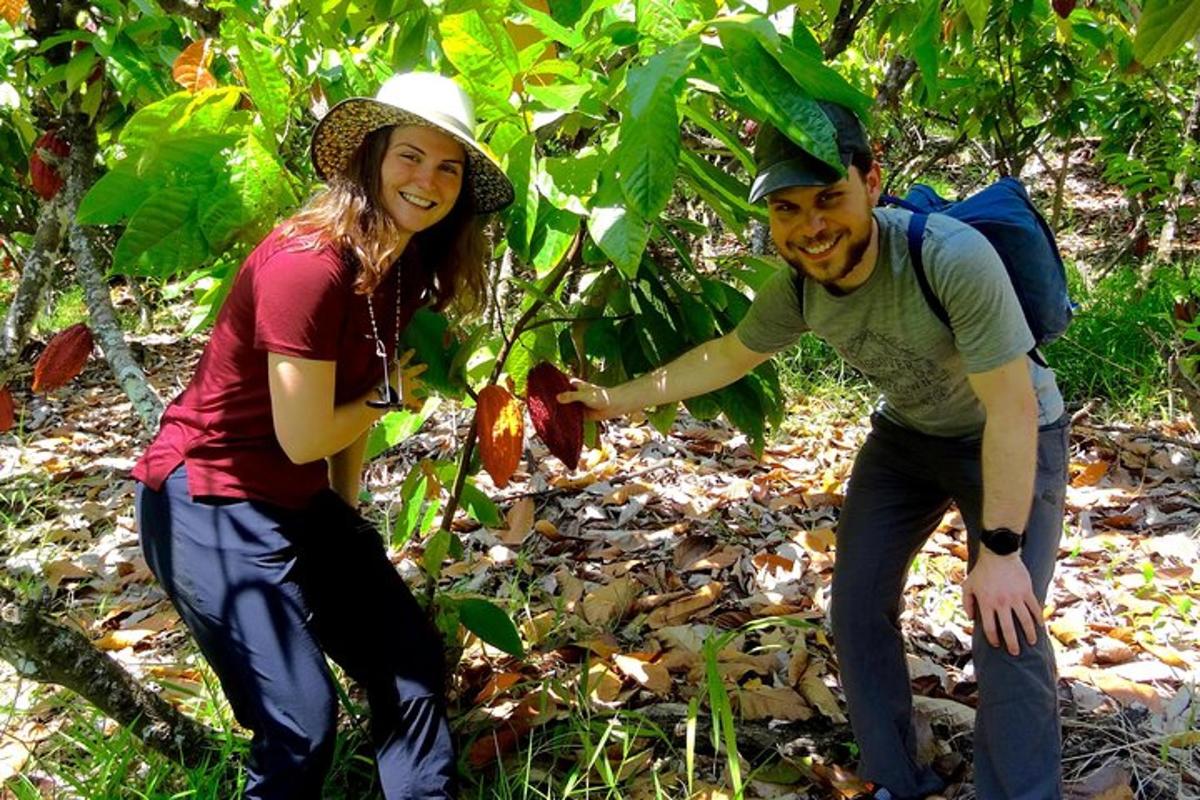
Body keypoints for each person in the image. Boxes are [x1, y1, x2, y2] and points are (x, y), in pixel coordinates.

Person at [560, 103, 1069, 800]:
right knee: (857, 608)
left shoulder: (946, 257)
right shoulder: (800, 286)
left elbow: (1010, 409)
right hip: (907, 439)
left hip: (1011, 435)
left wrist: (1002, 550)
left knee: (1006, 623)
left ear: (871, 180)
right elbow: (729, 355)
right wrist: (613, 398)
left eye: (830, 197)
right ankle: (892, 780)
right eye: (788, 209)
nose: (812, 227)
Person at [132, 72, 514, 799]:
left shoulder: (399, 265)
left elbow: (343, 414)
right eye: (410, 155)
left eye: (448, 166)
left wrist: (346, 518)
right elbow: (310, 432)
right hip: (208, 498)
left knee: (408, 659)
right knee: (302, 722)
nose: (427, 180)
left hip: (297, 499)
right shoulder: (306, 265)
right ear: (370, 156)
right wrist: (385, 399)